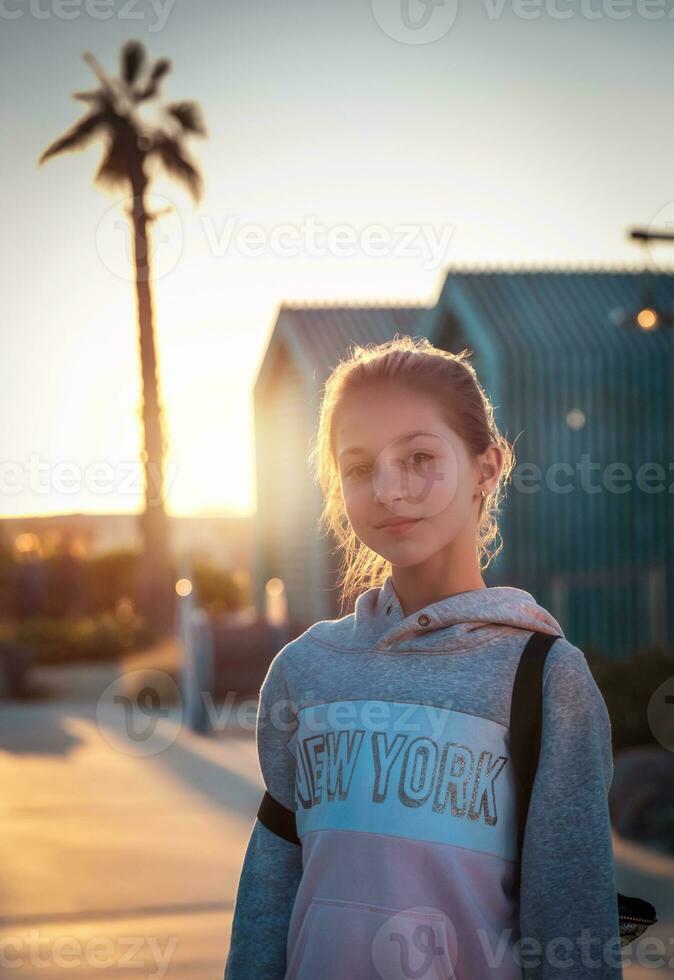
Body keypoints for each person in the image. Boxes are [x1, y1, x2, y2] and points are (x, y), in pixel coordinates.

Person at [224, 336, 623, 979]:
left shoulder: (545, 676)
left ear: (486, 468)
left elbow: (573, 925)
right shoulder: (305, 670)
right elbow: (268, 900)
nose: (389, 489)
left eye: (418, 457)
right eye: (358, 468)